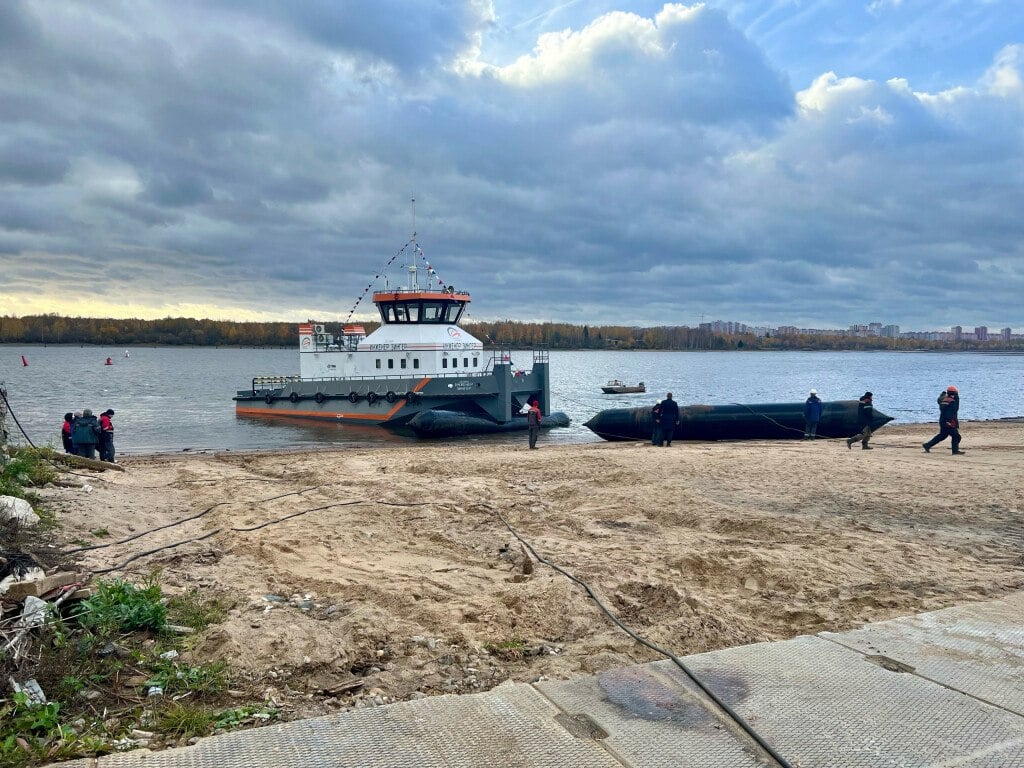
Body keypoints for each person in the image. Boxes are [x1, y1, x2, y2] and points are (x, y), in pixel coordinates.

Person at [923, 386, 965, 455]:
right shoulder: (952, 402)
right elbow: (953, 411)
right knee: (956, 436)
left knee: (942, 435)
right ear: (954, 394)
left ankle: (927, 445)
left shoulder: (943, 400)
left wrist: (942, 394)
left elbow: (939, 400)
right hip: (949, 422)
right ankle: (955, 451)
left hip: (942, 421)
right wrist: (948, 422)